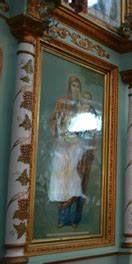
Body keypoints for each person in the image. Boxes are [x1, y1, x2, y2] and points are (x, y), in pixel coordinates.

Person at [49, 76, 91, 228]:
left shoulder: (83, 105)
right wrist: (59, 134)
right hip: (62, 147)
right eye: (73, 86)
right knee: (61, 182)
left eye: (78, 86)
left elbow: (87, 128)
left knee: (75, 181)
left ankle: (74, 219)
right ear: (69, 87)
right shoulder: (62, 102)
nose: (76, 89)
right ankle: (62, 219)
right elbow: (54, 121)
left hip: (76, 148)